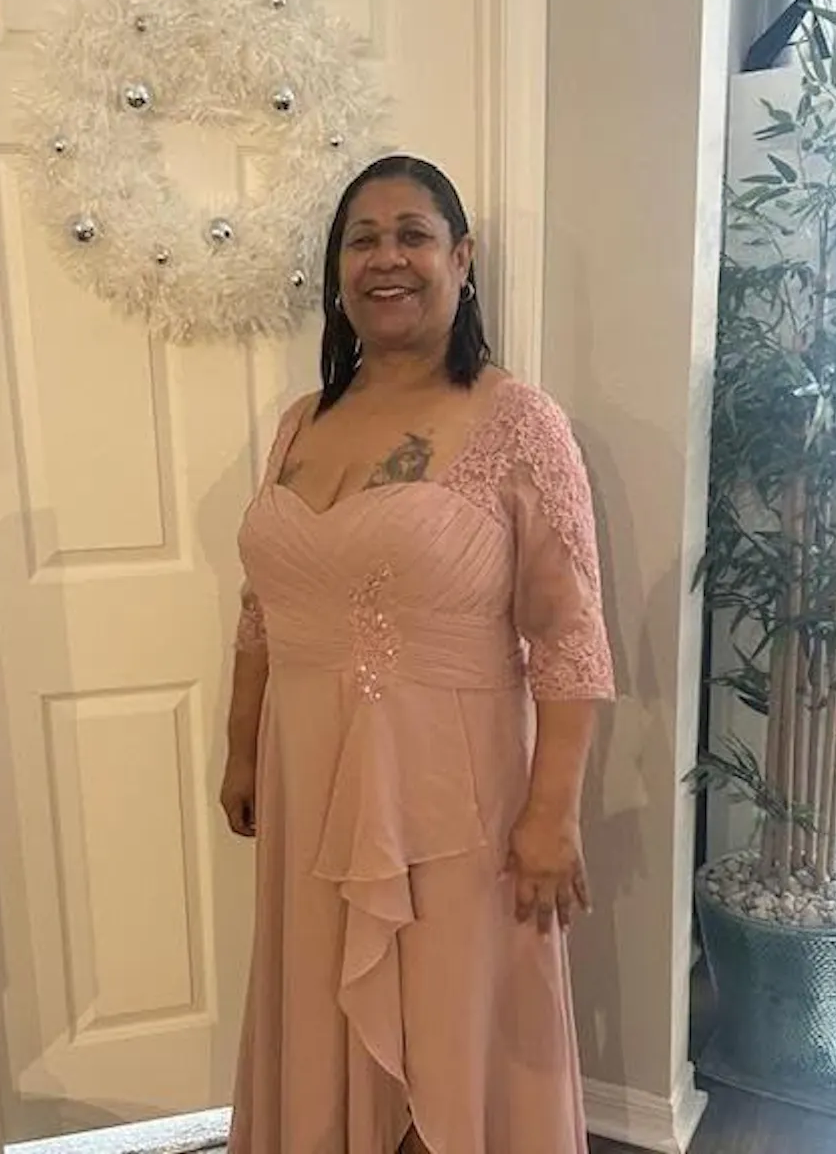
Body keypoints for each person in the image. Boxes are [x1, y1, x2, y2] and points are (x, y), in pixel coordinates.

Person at [220, 154, 615, 1154]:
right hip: (308, 781)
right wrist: (239, 745)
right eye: (362, 239)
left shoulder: (518, 420)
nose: (385, 258)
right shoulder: (300, 422)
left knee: (449, 1032)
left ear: (461, 257)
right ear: (337, 269)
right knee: (320, 1010)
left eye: (412, 235)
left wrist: (553, 814)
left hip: (452, 800)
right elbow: (264, 605)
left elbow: (568, 635)